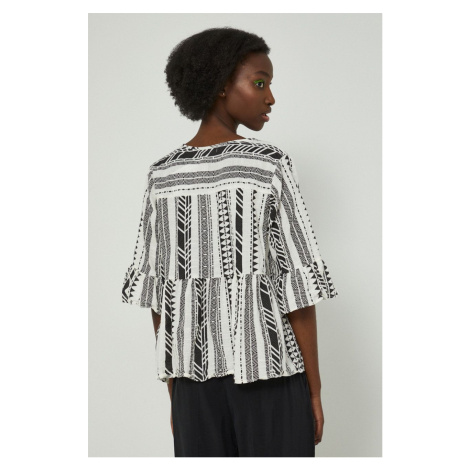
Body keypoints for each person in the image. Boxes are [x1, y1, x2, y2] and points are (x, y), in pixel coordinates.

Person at [121, 26, 338, 457]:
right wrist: (314, 391)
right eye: (259, 82)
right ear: (221, 85)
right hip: (271, 379)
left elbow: (159, 298)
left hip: (192, 389)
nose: (270, 97)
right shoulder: (269, 165)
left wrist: (176, 391)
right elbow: (297, 288)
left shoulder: (162, 175)